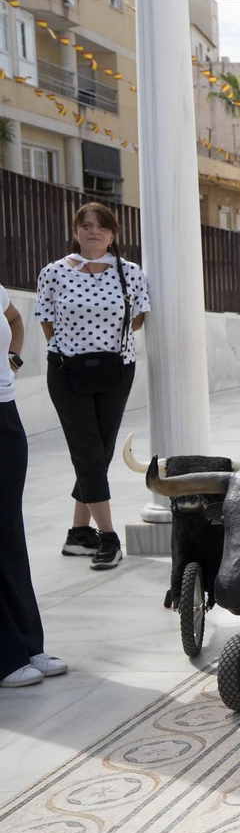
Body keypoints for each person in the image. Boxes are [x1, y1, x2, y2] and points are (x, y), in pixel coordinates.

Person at [35, 201, 150, 570]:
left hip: (116, 371)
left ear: (113, 234)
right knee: (87, 452)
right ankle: (109, 537)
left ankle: (79, 534)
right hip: (68, 372)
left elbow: (138, 320)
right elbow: (46, 321)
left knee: (98, 452)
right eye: (85, 225)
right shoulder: (53, 272)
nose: (93, 231)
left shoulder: (130, 272)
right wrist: (79, 347)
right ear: (75, 232)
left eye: (101, 226)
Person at [2, 284, 68, 688]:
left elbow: (12, 319)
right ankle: (4, 654)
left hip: (5, 414)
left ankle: (28, 644)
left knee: (10, 533)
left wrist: (13, 357)